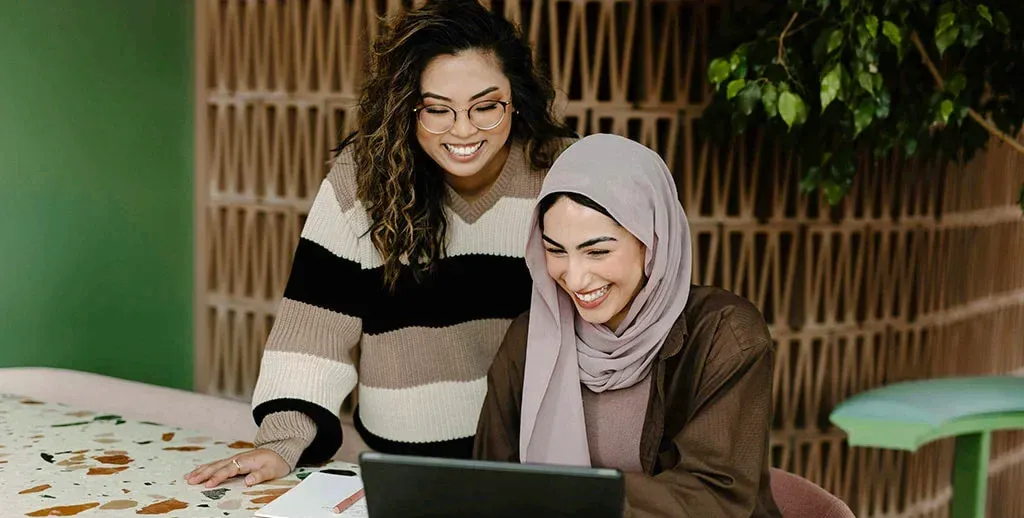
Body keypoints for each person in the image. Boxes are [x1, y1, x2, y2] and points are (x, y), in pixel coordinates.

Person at [186, 0, 574, 489]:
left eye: (486, 106)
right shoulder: (364, 178)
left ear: (514, 99)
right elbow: (314, 327)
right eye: (437, 109)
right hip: (401, 469)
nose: (463, 129)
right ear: (407, 106)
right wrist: (282, 443)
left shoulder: (561, 171)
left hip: (534, 461)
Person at [473, 134, 781, 517]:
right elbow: (489, 480)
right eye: (555, 251)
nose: (576, 277)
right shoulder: (530, 339)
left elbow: (714, 497)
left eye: (597, 251)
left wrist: (572, 499)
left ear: (651, 240)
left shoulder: (725, 335)